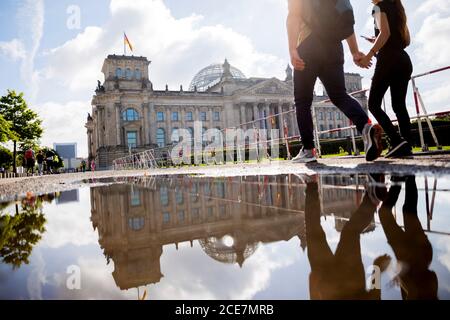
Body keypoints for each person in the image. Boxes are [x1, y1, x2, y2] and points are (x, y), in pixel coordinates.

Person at [287, 0, 383, 163]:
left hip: (308, 45)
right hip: (334, 47)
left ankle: (309, 150)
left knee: (302, 100)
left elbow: (294, 16)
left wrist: (292, 49)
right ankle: (366, 127)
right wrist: (354, 51)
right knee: (339, 95)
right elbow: (346, 23)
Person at [300, 174, 382, 299]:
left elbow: (374, 296)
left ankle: (371, 199)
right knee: (313, 231)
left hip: (350, 280)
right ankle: (311, 184)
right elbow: (313, 281)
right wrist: (314, 282)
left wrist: (377, 268)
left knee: (351, 233)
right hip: (327, 283)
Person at [358, 0, 413, 158]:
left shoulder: (378, 7)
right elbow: (405, 40)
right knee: (399, 106)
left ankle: (396, 141)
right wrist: (376, 40)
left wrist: (370, 53)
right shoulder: (397, 9)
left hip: (388, 60)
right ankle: (405, 146)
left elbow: (385, 33)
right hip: (403, 60)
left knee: (373, 104)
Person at [378, 175, 438, 299]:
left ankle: (399, 180)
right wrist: (403, 280)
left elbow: (432, 277)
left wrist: (401, 279)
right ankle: (407, 178)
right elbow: (431, 277)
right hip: (418, 255)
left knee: (392, 212)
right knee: (406, 211)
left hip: (408, 255)